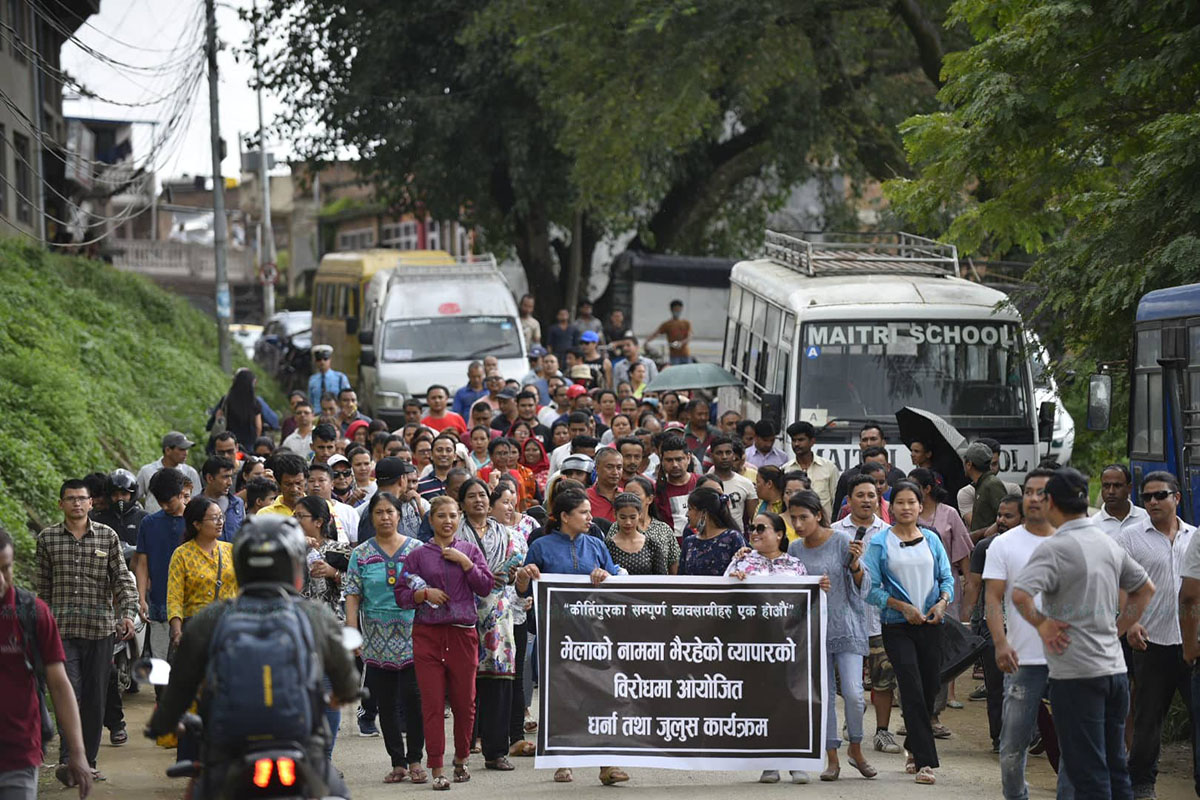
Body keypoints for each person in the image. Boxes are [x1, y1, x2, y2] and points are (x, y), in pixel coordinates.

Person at [146, 515, 359, 800]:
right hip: (298, 743)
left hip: (228, 747)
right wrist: (345, 693)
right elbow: (347, 682)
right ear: (296, 567)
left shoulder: (212, 617)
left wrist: (161, 724)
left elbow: (180, 686)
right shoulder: (314, 615)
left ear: (241, 564)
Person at [1011, 468, 1156, 800]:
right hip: (1114, 672)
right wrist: (1116, 630)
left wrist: (1044, 625)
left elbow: (1020, 594)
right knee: (1116, 765)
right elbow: (1145, 589)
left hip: (1076, 675)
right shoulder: (1105, 542)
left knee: (1087, 771)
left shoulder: (1055, 547)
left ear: (1050, 502)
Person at [516, 489, 629, 785]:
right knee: (561, 696)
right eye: (583, 512)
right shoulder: (540, 547)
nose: (590, 518)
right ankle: (562, 760)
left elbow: (616, 577)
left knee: (602, 696)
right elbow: (524, 591)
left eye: (590, 512)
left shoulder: (596, 544)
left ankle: (607, 765)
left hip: (594, 633)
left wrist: (606, 576)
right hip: (556, 634)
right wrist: (524, 577)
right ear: (565, 517)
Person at [37, 479, 138, 786]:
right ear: (61, 504)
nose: (77, 504)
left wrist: (128, 613)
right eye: (71, 499)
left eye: (82, 499)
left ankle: (88, 762)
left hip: (100, 631)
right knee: (69, 694)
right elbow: (43, 588)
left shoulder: (108, 537)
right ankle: (70, 762)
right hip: (61, 631)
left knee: (94, 699)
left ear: (91, 503)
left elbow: (122, 579)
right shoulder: (47, 539)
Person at [860, 480, 955, 785]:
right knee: (911, 685)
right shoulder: (879, 543)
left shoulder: (931, 538)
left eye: (911, 502)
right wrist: (902, 607)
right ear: (890, 506)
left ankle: (913, 743)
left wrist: (942, 603)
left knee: (929, 688)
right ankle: (925, 761)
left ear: (919, 505)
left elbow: (946, 578)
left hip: (931, 623)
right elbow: (870, 590)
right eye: (899, 502)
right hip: (897, 625)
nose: (906, 508)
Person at [395, 497, 494, 790]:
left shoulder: (469, 550)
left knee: (466, 702)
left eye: (452, 515)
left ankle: (462, 759)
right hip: (428, 634)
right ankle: (436, 766)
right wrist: (424, 594)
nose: (447, 521)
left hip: (463, 634)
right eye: (441, 516)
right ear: (432, 520)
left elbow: (486, 586)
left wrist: (465, 564)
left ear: (459, 518)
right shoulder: (418, 555)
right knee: (433, 703)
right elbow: (401, 595)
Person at [981, 469, 1065, 800]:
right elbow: (992, 598)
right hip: (1021, 661)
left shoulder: (1071, 541)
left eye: (1041, 492)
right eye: (1028, 491)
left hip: (1069, 662)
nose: (1033, 497)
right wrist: (1000, 642)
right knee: (1012, 746)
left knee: (1073, 742)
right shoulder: (1003, 544)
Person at [1115, 470, 1196, 799]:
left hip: (1193, 642)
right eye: (1146, 497)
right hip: (1151, 642)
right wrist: (1131, 623)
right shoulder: (1130, 538)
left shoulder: (1196, 537)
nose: (1152, 502)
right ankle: (1142, 785)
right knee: (1148, 720)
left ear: (1176, 498)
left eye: (1159, 495)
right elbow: (1120, 585)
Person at [784, 491, 875, 781]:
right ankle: (831, 757)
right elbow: (789, 588)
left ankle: (856, 748)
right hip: (813, 632)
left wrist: (856, 566)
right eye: (793, 517)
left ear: (818, 515)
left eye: (803, 517)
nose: (798, 524)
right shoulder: (795, 549)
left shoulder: (841, 542)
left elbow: (864, 587)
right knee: (824, 698)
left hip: (846, 626)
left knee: (854, 693)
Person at [1, 525, 94, 800]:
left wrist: (77, 752)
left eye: (6, 568)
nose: (2, 580)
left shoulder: (32, 612)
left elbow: (59, 683)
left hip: (18, 754)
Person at [343, 492, 427, 783]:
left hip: (414, 634)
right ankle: (398, 763)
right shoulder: (361, 554)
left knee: (415, 699)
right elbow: (352, 593)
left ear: (399, 515)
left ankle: (416, 759)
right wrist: (352, 629)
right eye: (379, 512)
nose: (385, 517)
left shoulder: (417, 550)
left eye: (390, 511)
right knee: (386, 702)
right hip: (376, 637)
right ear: (372, 517)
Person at [454, 479, 527, 772]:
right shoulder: (453, 533)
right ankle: (464, 747)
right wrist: (479, 575)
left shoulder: (507, 533)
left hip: (498, 614)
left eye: (483, 495)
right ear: (461, 503)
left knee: (499, 683)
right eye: (471, 496)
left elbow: (513, 567)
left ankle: (496, 751)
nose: (478, 501)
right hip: (461, 611)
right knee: (463, 683)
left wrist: (501, 574)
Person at [961, 493, 1022, 749]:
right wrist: (966, 624)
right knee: (995, 686)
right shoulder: (986, 548)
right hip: (993, 626)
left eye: (1008, 516)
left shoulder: (1037, 548)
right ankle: (999, 737)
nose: (1001, 520)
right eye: (999, 515)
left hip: (1025, 628)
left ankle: (1030, 733)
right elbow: (974, 586)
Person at [166, 498, 238, 652]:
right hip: (195, 632)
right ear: (197, 524)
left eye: (221, 517)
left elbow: (242, 591)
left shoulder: (231, 551)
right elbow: (174, 598)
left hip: (228, 630)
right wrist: (177, 631)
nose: (220, 522)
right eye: (214, 518)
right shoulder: (182, 555)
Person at [679, 487, 745, 576]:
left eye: (690, 509)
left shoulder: (732, 538)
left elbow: (742, 570)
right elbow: (681, 577)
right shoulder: (689, 542)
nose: (687, 514)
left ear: (704, 513)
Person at [780, 421, 839, 518]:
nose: (796, 444)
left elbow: (835, 501)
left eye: (801, 440)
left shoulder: (829, 468)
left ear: (812, 441)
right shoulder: (786, 469)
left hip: (823, 528)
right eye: (793, 440)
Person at [136, 432, 203, 514]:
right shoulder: (147, 471)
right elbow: (134, 496)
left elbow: (197, 502)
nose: (185, 453)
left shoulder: (190, 473)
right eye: (181, 449)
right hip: (153, 522)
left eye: (186, 449)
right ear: (168, 450)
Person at [606, 492, 671, 575]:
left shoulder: (652, 544)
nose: (628, 522)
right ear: (615, 515)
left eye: (632, 517)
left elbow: (661, 578)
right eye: (623, 517)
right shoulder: (608, 545)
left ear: (639, 515)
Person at [706, 435, 757, 529]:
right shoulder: (705, 484)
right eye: (719, 453)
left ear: (733, 455)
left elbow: (754, 519)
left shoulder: (746, 483)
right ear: (712, 455)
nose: (724, 457)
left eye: (728, 452)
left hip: (737, 538)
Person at [654, 437, 699, 536]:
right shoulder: (657, 490)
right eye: (669, 460)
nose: (674, 465)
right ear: (662, 461)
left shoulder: (702, 483)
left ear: (688, 458)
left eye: (679, 459)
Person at [90, 469, 146, 547]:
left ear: (132, 495)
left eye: (124, 494)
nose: (119, 498)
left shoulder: (144, 518)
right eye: (115, 494)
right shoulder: (98, 520)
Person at [1092, 464, 1151, 537]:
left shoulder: (1146, 519)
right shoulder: (1093, 526)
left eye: (1117, 486)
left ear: (1129, 488)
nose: (1111, 491)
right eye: (1106, 486)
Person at [964, 441, 1008, 540]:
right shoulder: (981, 484)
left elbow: (1006, 518)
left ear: (969, 464)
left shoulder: (992, 484)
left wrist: (978, 534)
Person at [307, 463, 358, 545]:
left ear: (332, 484)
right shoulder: (301, 510)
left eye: (321, 480)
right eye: (311, 481)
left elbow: (356, 543)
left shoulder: (348, 511)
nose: (316, 485)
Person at [213, 368, 263, 451]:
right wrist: (255, 440)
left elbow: (219, 415)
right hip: (248, 443)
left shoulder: (227, 399)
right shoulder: (255, 402)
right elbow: (258, 426)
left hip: (228, 442)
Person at [199, 456, 244, 542]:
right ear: (210, 478)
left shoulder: (237, 504)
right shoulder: (196, 506)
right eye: (225, 477)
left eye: (231, 477)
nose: (230, 482)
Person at [646, 299, 693, 365]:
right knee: (675, 372)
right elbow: (656, 333)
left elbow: (689, 336)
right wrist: (647, 341)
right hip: (674, 355)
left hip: (685, 353)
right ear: (671, 310)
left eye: (679, 310)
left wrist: (681, 343)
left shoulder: (686, 323)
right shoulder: (667, 324)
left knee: (688, 372)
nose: (677, 311)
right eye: (675, 310)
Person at [585, 448, 622, 522]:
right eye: (609, 467)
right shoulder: (585, 496)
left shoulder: (626, 495)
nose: (615, 472)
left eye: (619, 467)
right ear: (597, 469)